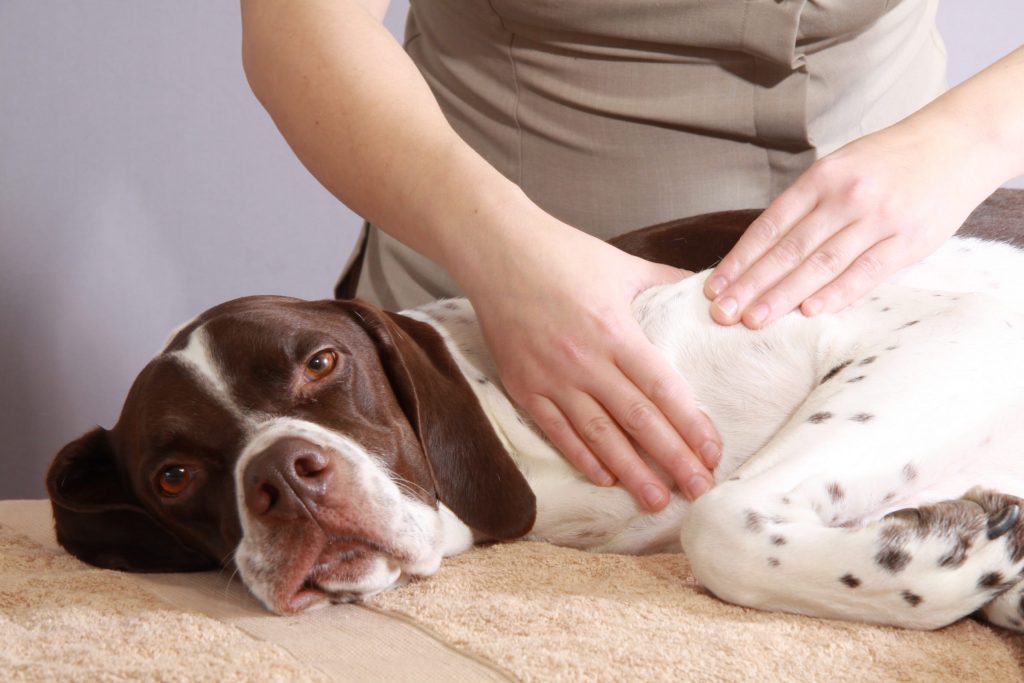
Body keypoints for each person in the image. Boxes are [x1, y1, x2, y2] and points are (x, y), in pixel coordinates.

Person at [239, 0, 1024, 512]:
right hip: (511, 359)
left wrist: (969, 139)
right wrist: (502, 256)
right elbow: (299, 29)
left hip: (912, 322)